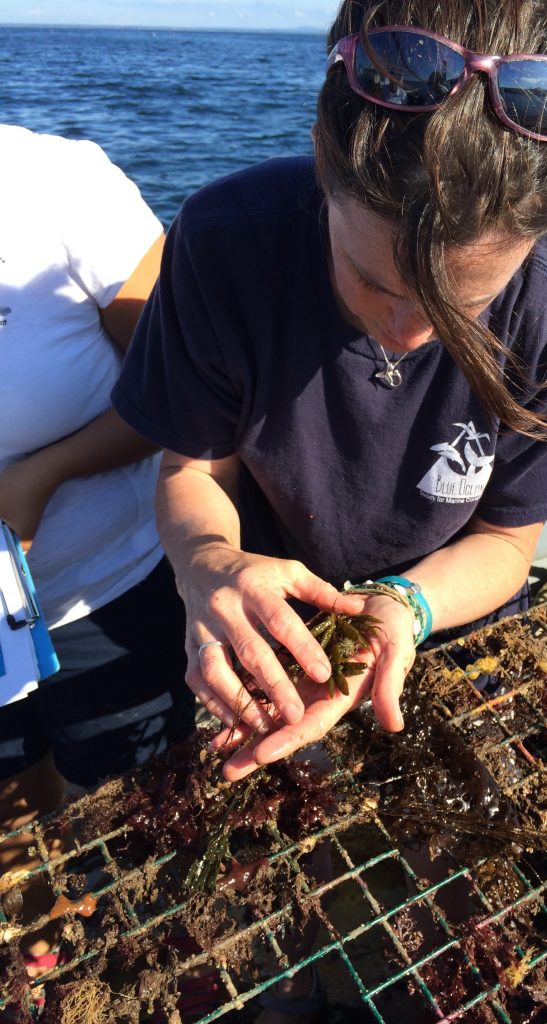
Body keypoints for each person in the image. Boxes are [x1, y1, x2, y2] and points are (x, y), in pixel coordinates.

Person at [114, 0, 547, 789]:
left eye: (459, 306)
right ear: (324, 159)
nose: (406, 332)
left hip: (453, 616)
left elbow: (505, 543)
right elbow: (193, 470)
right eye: (372, 282)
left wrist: (406, 607)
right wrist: (208, 562)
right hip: (269, 615)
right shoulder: (222, 242)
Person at [0, 125, 195, 992]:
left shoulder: (56, 182)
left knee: (135, 805)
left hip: (106, 594)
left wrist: (41, 476)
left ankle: (144, 958)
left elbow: (180, 390)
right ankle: (39, 929)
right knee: (9, 799)